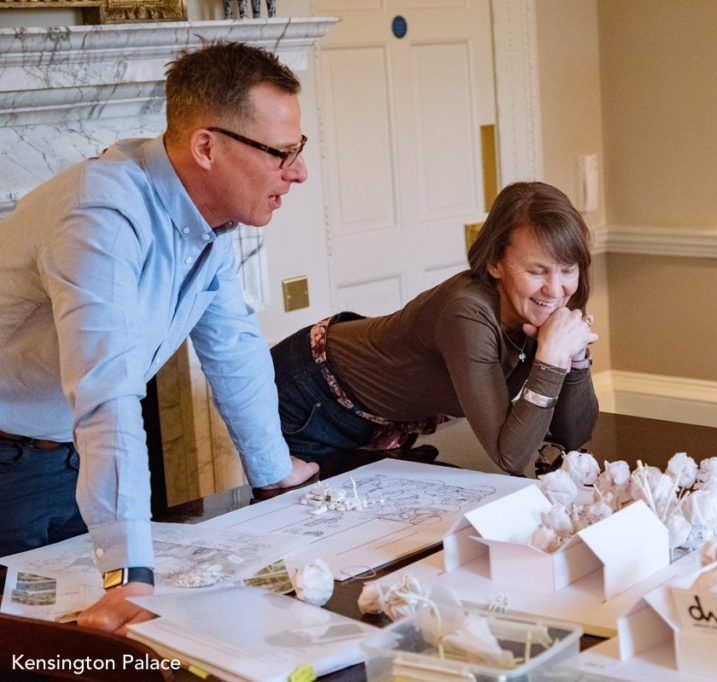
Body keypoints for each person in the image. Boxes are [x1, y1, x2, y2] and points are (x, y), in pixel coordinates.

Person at [0, 41, 319, 633]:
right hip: (9, 467)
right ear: (206, 146)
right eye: (282, 153)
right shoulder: (101, 212)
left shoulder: (209, 226)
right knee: (38, 657)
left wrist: (274, 472)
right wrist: (129, 575)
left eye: (298, 150)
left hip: (65, 458)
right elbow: (109, 392)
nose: (298, 171)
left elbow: (232, 347)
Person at [272, 181, 599, 475]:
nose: (556, 291)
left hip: (380, 418)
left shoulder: (547, 306)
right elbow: (510, 456)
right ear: (494, 262)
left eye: (567, 270)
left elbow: (571, 436)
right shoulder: (466, 313)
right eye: (537, 271)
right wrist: (551, 360)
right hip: (309, 394)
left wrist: (576, 357)